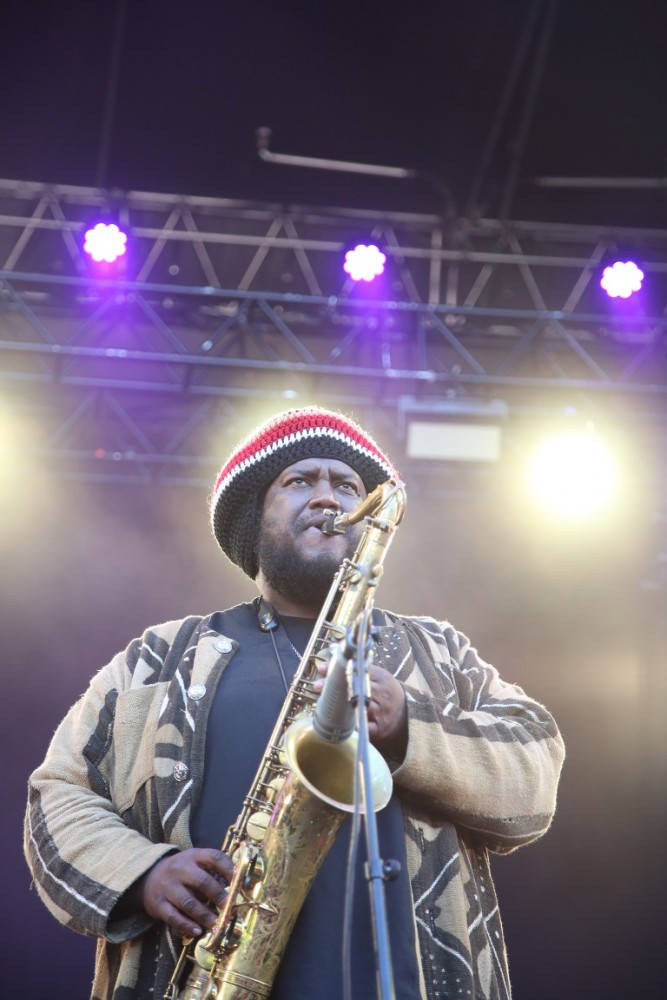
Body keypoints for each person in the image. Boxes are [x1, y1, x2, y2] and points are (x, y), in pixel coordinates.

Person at [24, 406, 565, 1000]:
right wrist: (144, 875)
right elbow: (58, 792)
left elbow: (536, 762)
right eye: (300, 480)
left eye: (347, 486)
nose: (327, 498)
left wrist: (413, 728)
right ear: (255, 513)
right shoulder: (161, 656)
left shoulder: (437, 650)